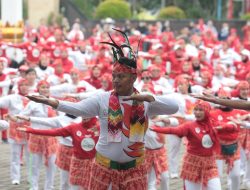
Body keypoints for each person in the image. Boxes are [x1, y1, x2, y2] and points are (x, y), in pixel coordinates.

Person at [25, 29, 179, 190]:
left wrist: (151, 98)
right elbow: (78, 109)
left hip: (135, 168)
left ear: (133, 78)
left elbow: (174, 107)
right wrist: (52, 102)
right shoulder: (103, 98)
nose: (116, 80)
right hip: (104, 167)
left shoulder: (144, 101)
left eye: (121, 76)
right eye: (114, 76)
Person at [151, 100, 237, 190]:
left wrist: (223, 127)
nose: (197, 112)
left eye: (201, 110)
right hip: (192, 164)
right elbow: (174, 130)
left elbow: (233, 127)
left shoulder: (213, 124)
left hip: (210, 164)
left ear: (207, 111)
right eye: (196, 110)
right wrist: (155, 129)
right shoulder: (189, 126)